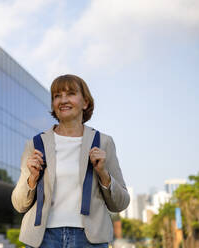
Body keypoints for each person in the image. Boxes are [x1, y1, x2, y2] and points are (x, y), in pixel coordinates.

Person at [11, 74, 130, 248]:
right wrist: (32, 179)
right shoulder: (35, 144)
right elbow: (19, 205)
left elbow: (121, 203)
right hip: (43, 239)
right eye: (57, 96)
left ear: (85, 102)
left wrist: (104, 174)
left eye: (71, 93)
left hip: (90, 240)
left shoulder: (103, 143)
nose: (63, 100)